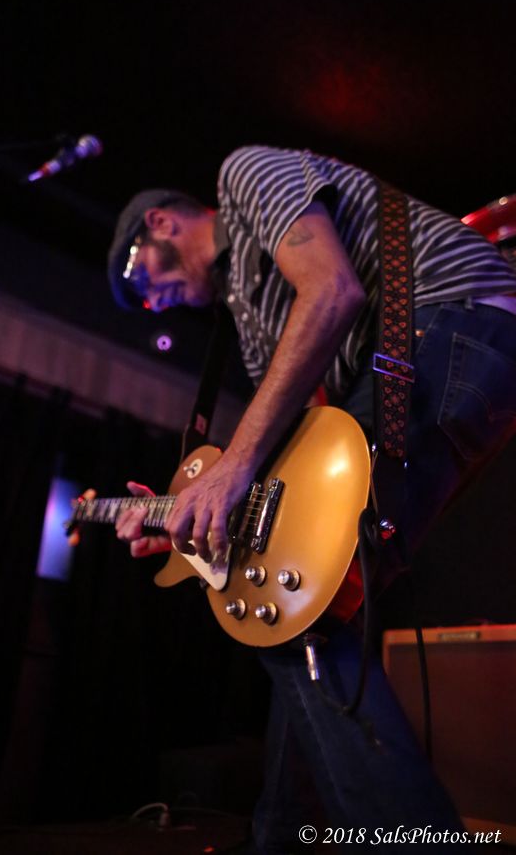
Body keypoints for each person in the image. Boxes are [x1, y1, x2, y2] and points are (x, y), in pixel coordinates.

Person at [107, 145, 516, 853]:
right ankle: (279, 836)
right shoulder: (250, 316)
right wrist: (195, 520)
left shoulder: (244, 174)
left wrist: (233, 470)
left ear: (161, 224)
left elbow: (331, 292)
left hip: (449, 324)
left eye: (135, 277)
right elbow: (305, 443)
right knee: (306, 607)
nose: (148, 301)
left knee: (300, 613)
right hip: (451, 358)